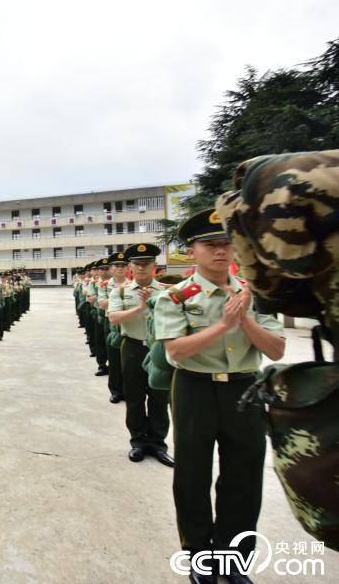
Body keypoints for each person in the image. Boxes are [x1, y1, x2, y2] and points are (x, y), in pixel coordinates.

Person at [154, 208, 285, 584]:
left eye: (227, 244)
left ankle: (233, 559)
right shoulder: (177, 296)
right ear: (192, 251)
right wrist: (224, 325)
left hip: (244, 389)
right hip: (195, 388)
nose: (220, 252)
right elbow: (175, 352)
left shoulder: (252, 296)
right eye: (210, 245)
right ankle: (198, 555)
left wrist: (244, 319)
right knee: (193, 473)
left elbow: (275, 350)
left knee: (243, 476)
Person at [108, 245, 173, 467]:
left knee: (159, 397)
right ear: (130, 268)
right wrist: (141, 307)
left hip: (159, 349)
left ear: (155, 266)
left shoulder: (167, 290)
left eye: (146, 263)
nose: (141, 267)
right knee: (134, 396)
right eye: (137, 263)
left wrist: (155, 304)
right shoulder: (121, 291)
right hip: (133, 347)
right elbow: (114, 318)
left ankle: (157, 443)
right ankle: (137, 442)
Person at [101, 252, 128, 404]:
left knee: (129, 361)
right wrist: (118, 295)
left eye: (123, 265)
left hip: (130, 323)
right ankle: (116, 391)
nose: (120, 268)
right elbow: (101, 304)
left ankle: (128, 389)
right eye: (117, 265)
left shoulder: (134, 284)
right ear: (111, 269)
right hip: (111, 324)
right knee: (115, 359)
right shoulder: (105, 285)